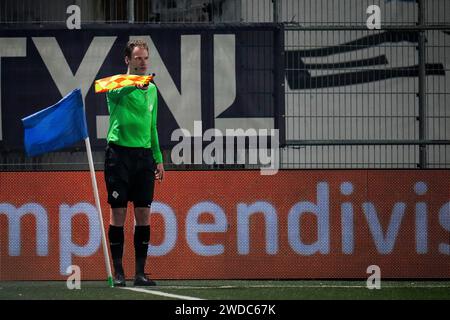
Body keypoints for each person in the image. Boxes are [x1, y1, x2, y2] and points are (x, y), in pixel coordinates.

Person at [104, 40, 164, 287]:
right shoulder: (115, 83)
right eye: (138, 58)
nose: (142, 62)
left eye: (145, 58)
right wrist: (134, 82)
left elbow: (152, 127)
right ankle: (119, 273)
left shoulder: (151, 89)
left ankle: (139, 273)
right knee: (118, 213)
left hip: (143, 157)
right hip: (119, 155)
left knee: (144, 213)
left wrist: (158, 158)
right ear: (128, 60)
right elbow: (112, 89)